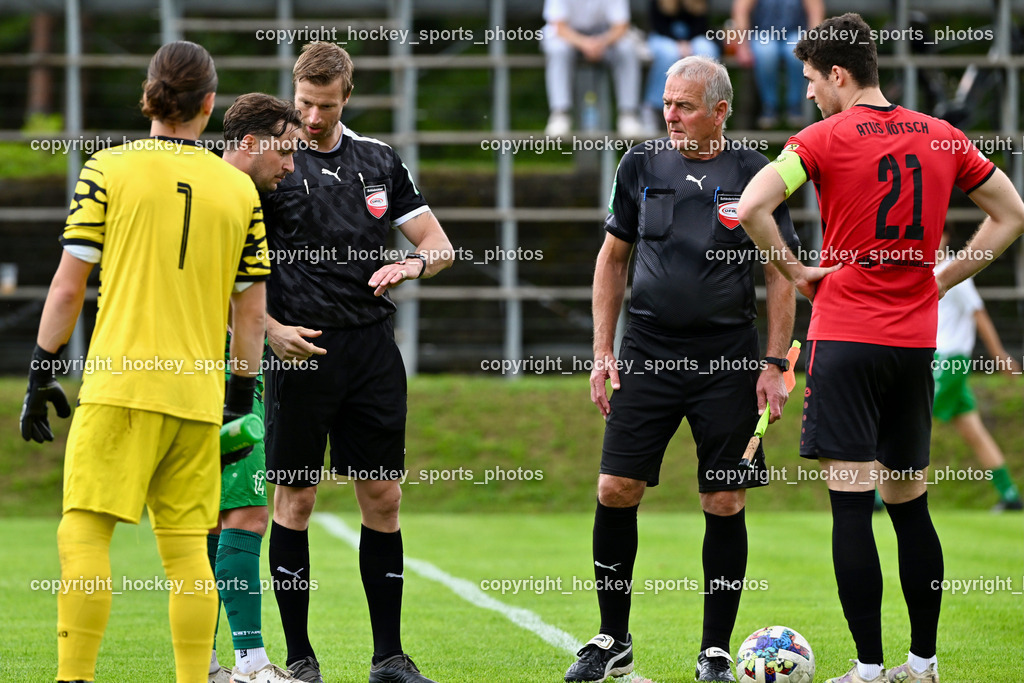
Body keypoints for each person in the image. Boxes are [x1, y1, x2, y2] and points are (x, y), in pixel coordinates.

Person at [735, 12, 1024, 683]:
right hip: (914, 344)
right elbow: (1010, 214)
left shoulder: (818, 138)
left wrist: (795, 270)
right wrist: (943, 276)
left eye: (812, 79)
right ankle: (921, 663)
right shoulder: (943, 136)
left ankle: (868, 667)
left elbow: (752, 206)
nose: (808, 93)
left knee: (849, 504)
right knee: (911, 507)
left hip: (845, 338)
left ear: (838, 74)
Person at [19, 41, 270, 683]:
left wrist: (41, 373)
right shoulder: (239, 190)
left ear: (148, 95)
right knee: (188, 552)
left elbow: (68, 286)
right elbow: (250, 315)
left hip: (119, 387)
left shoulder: (107, 168)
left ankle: (73, 678)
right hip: (196, 399)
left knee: (84, 536)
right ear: (210, 105)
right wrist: (239, 405)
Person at [567, 55, 798, 683]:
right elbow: (612, 259)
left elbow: (782, 272)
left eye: (684, 105)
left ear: (720, 111)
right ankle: (613, 639)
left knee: (723, 498)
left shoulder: (757, 172)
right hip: (646, 353)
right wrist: (602, 349)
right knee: (616, 488)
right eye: (667, 102)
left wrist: (775, 362)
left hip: (728, 359)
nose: (670, 115)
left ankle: (716, 650)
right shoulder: (640, 163)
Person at [260, 42, 453, 683]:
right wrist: (267, 329)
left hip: (371, 352)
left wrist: (411, 263)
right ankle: (299, 658)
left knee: (384, 497)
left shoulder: (378, 160)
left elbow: (440, 245)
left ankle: (389, 658)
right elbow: (227, 267)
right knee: (295, 497)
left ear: (348, 97)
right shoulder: (271, 166)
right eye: (305, 104)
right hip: (299, 351)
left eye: (326, 105)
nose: (313, 118)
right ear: (294, 95)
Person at [205, 92, 303, 683]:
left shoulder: (185, 183)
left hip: (172, 370)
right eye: (285, 151)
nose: (290, 166)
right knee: (243, 512)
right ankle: (250, 662)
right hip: (221, 370)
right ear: (248, 143)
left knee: (200, 518)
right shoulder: (235, 197)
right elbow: (237, 296)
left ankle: (205, 661)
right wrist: (268, 334)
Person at [934, 231, 1022, 512]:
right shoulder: (927, 271)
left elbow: (978, 313)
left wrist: (999, 356)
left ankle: (872, 495)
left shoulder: (953, 272)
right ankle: (1009, 495)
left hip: (947, 362)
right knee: (973, 431)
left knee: (904, 420)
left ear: (945, 236)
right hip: (943, 361)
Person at [541, 0, 645, 138]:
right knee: (558, 50)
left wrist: (600, 42)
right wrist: (585, 43)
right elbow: (559, 26)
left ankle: (628, 114)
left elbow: (621, 26)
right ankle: (560, 114)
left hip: (605, 36)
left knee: (627, 49)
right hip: (567, 37)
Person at [731, 0, 824, 128]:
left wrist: (814, 43)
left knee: (799, 52)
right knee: (766, 53)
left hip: (795, 32)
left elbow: (815, 13)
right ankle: (769, 106)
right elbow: (741, 11)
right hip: (762, 33)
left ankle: (795, 104)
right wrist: (742, 45)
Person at [643, 0, 719, 131]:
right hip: (662, 37)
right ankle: (654, 107)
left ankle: (705, 106)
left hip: (694, 39)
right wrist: (678, 43)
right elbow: (658, 25)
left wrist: (687, 43)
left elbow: (702, 25)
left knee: (707, 50)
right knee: (669, 54)